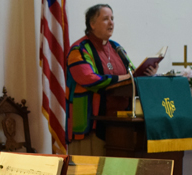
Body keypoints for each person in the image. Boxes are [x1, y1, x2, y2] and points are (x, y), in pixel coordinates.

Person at [65, 3, 158, 155]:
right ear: (92, 24)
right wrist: (127, 77)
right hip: (91, 124)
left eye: (112, 18)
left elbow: (132, 75)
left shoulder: (116, 48)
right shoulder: (79, 49)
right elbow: (90, 79)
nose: (111, 23)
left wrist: (148, 73)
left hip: (122, 125)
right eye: (105, 19)